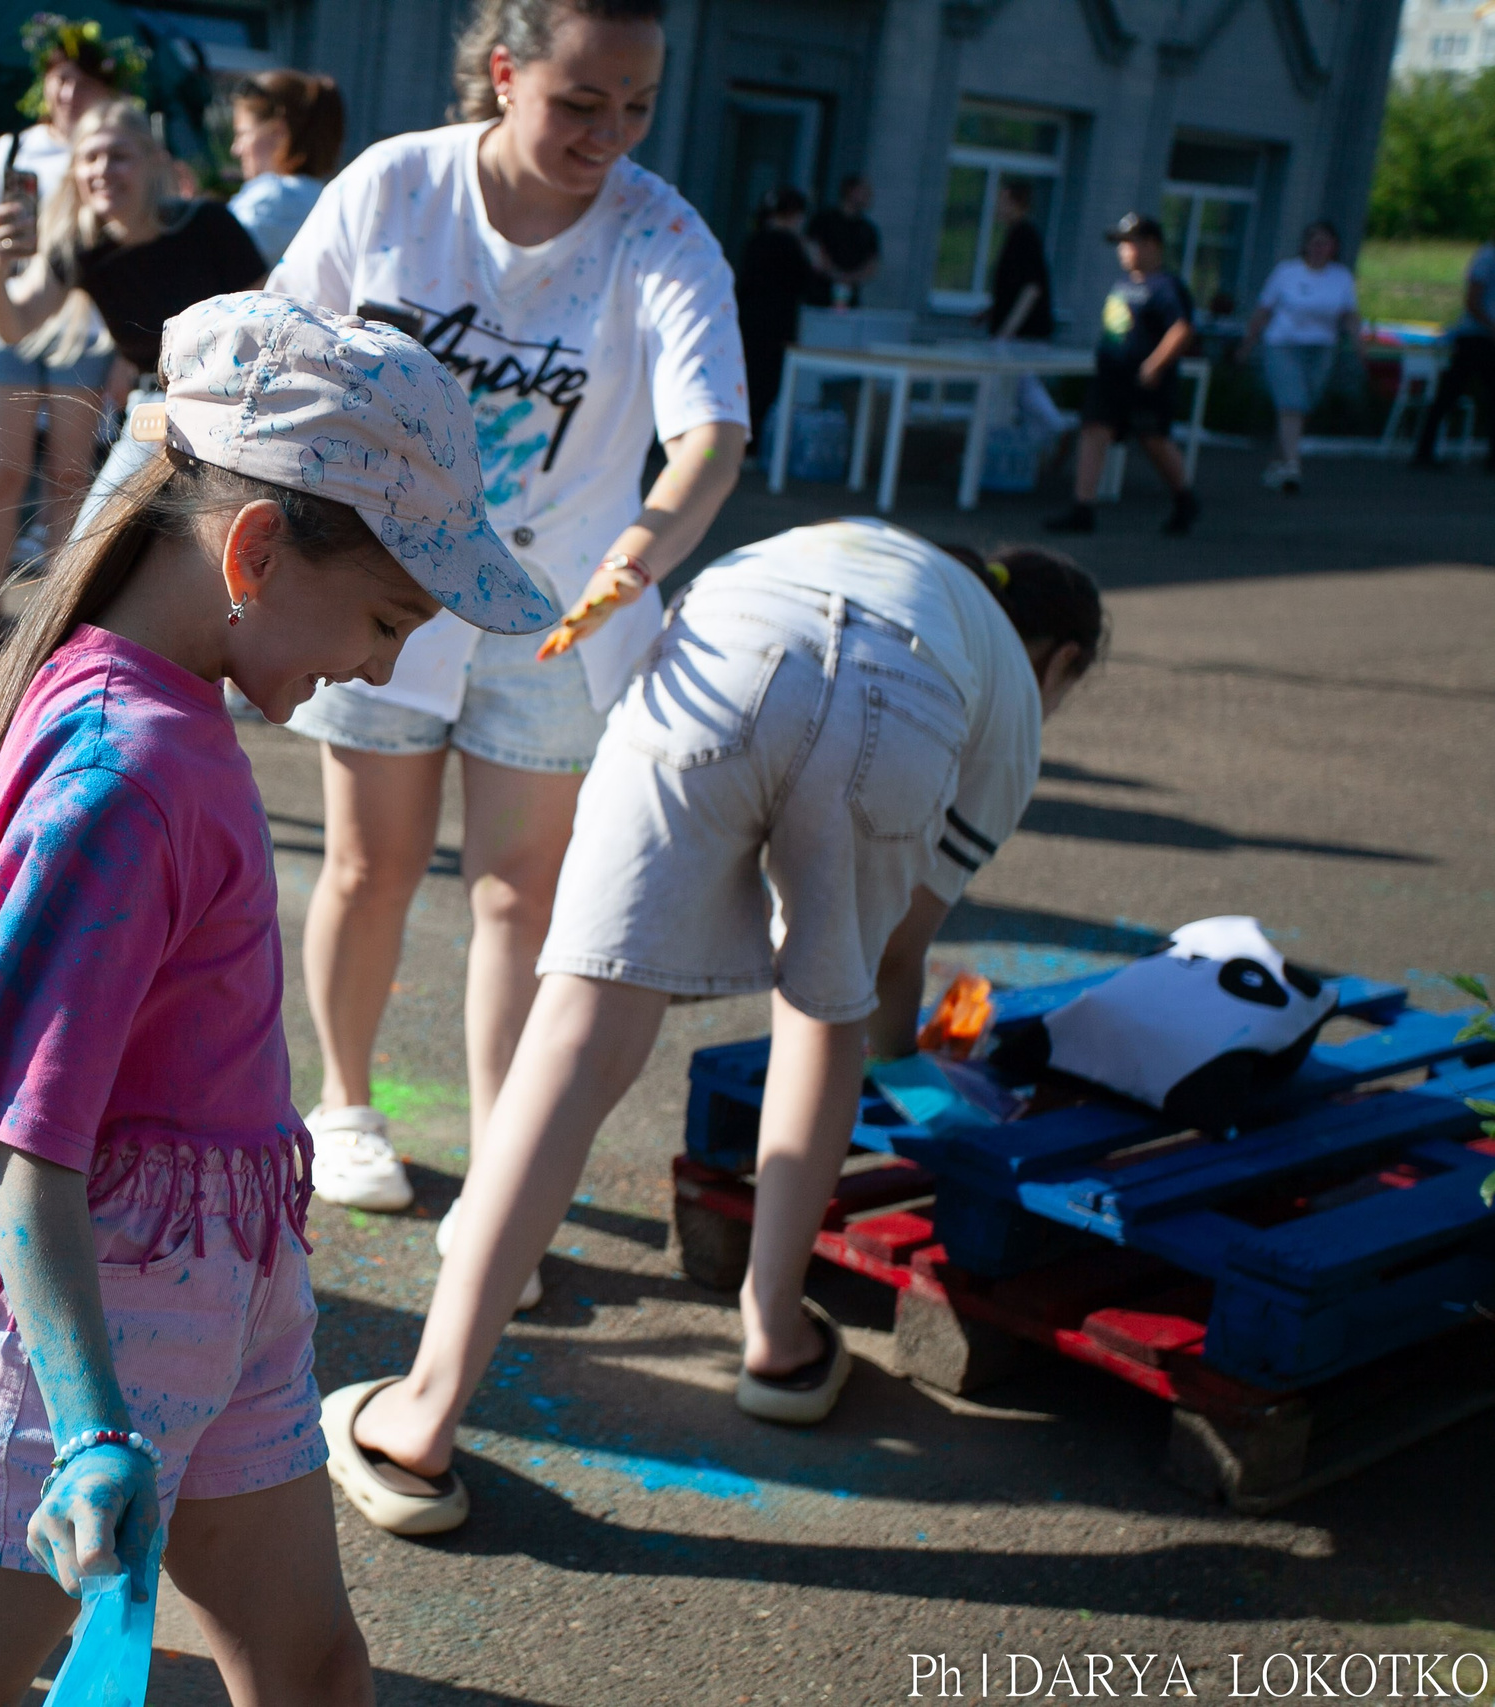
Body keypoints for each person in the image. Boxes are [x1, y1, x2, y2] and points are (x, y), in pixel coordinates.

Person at [0, 290, 554, 1707]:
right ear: (254, 548)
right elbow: (28, 1156)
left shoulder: (171, 716)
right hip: (92, 1343)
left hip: (224, 1277)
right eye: (386, 614)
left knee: (314, 1671)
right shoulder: (127, 771)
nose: (388, 662)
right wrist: (94, 1429)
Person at [323, 520, 1105, 1534]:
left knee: (584, 1011)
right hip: (900, 704)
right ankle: (776, 1337)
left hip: (719, 648)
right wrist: (911, 1070)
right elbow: (885, 966)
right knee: (824, 1011)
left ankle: (420, 1417)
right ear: (1064, 659)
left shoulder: (845, 541)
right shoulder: (1002, 685)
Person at [267, 0, 748, 1268]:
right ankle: (347, 1103)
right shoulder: (397, 186)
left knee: (518, 897)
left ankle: (498, 1178)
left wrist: (642, 551)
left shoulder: (662, 233)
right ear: (502, 74)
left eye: (637, 105)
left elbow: (710, 430)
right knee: (368, 865)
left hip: (556, 612)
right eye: (580, 102)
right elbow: (279, 333)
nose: (610, 135)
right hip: (381, 584)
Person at [0, 99, 269, 552]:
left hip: (233, 414)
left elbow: (267, 319)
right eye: (90, 158)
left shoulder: (208, 225)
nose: (103, 170)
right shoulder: (84, 249)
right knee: (92, 545)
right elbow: (15, 324)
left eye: (118, 156)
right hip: (155, 415)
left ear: (152, 161)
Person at [0, 13, 144, 651]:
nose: (67, 94)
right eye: (59, 81)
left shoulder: (118, 153)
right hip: (11, 317)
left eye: (81, 83)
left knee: (68, 473)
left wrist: (126, 348)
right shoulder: (17, 145)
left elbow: (134, 246)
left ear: (105, 91)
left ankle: (49, 620)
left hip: (86, 328)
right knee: (3, 465)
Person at [1045, 212, 1199, 536]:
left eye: (1130, 244)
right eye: (1121, 245)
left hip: (1146, 382)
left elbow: (1181, 329)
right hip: (1111, 377)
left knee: (1154, 440)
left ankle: (1184, 498)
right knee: (1093, 430)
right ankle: (1082, 507)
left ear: (1152, 245)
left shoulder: (1166, 286)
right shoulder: (1124, 283)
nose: (1124, 251)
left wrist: (1155, 365)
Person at [1243, 221, 1359, 494]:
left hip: (1320, 348)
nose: (1319, 248)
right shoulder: (1287, 272)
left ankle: (1279, 462)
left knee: (1302, 405)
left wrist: (1359, 345)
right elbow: (1264, 310)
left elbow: (1349, 315)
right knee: (1291, 401)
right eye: (1314, 242)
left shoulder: (1340, 277)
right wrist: (1247, 344)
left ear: (1334, 247)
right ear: (1305, 245)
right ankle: (1293, 465)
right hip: (1284, 345)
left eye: (1325, 243)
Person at [735, 185, 828, 450]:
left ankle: (740, 445)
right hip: (777, 326)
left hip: (749, 322)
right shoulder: (790, 245)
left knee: (748, 384)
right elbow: (809, 287)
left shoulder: (755, 240)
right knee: (766, 387)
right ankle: (752, 446)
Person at [978, 178, 1071, 438]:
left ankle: (1056, 430)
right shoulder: (1017, 235)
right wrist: (991, 312)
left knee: (1019, 385)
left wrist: (1007, 330)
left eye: (1002, 201)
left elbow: (1031, 289)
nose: (997, 208)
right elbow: (1016, 287)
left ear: (1015, 202)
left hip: (1023, 334)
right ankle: (1040, 441)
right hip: (1018, 330)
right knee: (1020, 388)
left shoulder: (1024, 235)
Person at [227, 70, 345, 266]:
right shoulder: (326, 198)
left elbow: (207, 258)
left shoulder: (275, 199)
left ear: (278, 132)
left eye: (243, 134)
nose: (236, 149)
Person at [1411, 225, 1495, 472]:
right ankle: (1425, 450)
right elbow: (1472, 300)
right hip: (1475, 337)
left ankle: (1425, 450)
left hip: (1483, 336)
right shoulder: (1487, 257)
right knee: (1452, 392)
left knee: (1454, 392)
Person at [806, 174, 880, 306]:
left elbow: (872, 263)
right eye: (863, 190)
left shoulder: (868, 229)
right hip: (818, 295)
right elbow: (813, 249)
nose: (869, 195)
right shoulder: (824, 220)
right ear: (850, 191)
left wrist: (850, 279)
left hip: (850, 297)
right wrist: (835, 274)